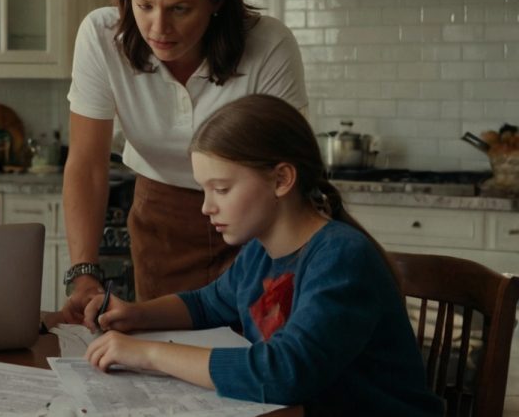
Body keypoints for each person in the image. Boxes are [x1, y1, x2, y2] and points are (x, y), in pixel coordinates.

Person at [82, 95, 444, 416]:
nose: (207, 207)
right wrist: (135, 314)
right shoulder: (260, 252)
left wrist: (147, 354)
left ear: (281, 179)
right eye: (204, 190)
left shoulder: (341, 258)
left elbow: (284, 373)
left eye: (221, 189)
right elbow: (207, 304)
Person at [63, 0, 307, 320]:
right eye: (144, 6)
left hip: (256, 221)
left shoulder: (270, 45)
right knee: (167, 351)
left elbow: (290, 172)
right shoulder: (101, 36)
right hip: (162, 219)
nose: (158, 28)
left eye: (180, 9)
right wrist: (84, 273)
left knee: (256, 351)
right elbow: (87, 165)